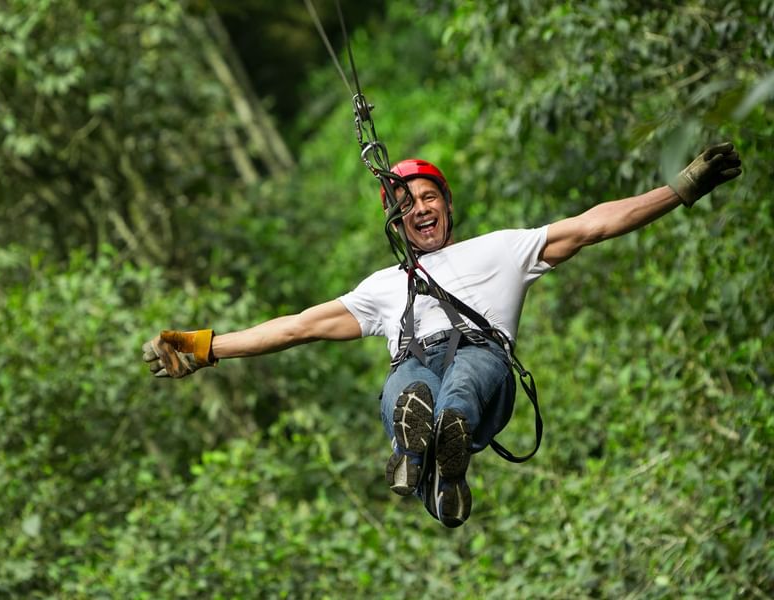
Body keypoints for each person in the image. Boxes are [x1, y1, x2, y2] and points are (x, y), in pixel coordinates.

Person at [143, 143, 742, 527]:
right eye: (407, 206)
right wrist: (204, 348)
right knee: (410, 381)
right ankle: (422, 449)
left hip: (486, 368)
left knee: (466, 379)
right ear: (397, 224)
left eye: (429, 198)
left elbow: (593, 225)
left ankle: (440, 443)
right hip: (416, 364)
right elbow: (298, 327)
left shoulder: (503, 250)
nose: (421, 210)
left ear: (447, 206)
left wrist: (681, 189)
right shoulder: (383, 286)